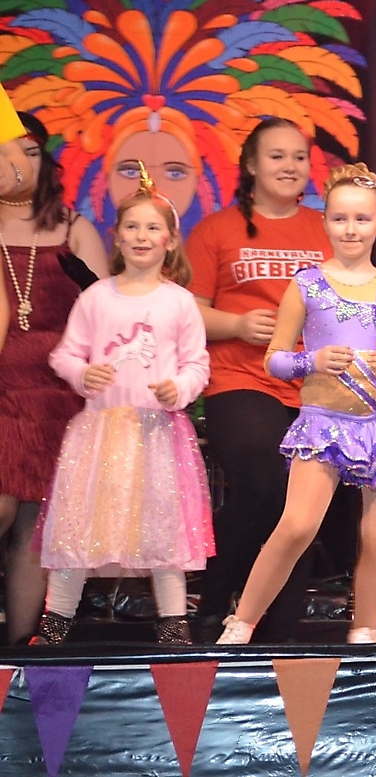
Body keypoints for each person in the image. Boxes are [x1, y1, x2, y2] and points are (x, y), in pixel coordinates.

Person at [217, 164, 376, 644]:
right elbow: (275, 359)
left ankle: (366, 630)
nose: (350, 229)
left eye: (361, 219)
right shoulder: (307, 285)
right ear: (325, 222)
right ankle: (243, 622)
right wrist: (311, 360)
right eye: (340, 218)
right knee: (297, 524)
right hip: (323, 423)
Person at [34, 168, 213, 644]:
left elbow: (198, 364)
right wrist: (82, 374)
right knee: (78, 529)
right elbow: (65, 355)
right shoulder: (96, 297)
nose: (141, 236)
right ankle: (55, 624)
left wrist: (179, 388)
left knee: (163, 532)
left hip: (158, 435)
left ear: (170, 241)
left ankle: (173, 627)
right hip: (99, 435)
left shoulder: (179, 302)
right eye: (132, 226)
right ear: (116, 236)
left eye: (153, 227)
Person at [185, 117, 333, 642]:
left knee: (301, 503)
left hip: (314, 384)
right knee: (266, 483)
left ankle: (279, 630)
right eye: (276, 156)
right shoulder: (216, 230)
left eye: (298, 156)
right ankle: (214, 602)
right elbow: (187, 310)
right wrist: (237, 325)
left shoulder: (326, 228)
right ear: (250, 165)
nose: (290, 166)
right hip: (240, 377)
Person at [0, 114, 109, 645]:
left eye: (30, 152)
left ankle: (17, 658)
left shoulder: (72, 228)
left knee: (35, 527)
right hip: (4, 386)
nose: (19, 163)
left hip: (61, 390)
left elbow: (108, 314)